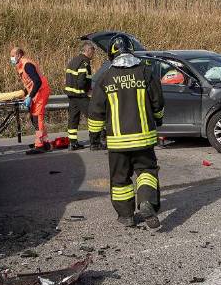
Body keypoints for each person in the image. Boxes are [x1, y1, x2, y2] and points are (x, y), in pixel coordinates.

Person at [88, 34, 165, 228]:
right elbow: (158, 102)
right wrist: (158, 119)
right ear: (131, 50)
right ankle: (146, 202)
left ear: (111, 54)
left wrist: (94, 137)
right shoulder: (146, 72)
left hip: (117, 142)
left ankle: (126, 216)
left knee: (120, 178)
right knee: (146, 171)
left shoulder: (105, 77)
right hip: (144, 138)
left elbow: (96, 110)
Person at [10, 47, 51, 154]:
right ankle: (45, 142)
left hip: (40, 91)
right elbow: (30, 82)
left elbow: (37, 81)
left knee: (37, 118)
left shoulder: (27, 65)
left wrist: (30, 96)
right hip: (36, 92)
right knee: (34, 118)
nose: (11, 58)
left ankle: (40, 145)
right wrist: (25, 93)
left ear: (19, 55)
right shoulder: (21, 65)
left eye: (13, 56)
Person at [64, 41, 96, 150]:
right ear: (87, 50)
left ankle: (72, 143)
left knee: (73, 119)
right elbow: (82, 81)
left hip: (72, 95)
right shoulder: (84, 62)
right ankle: (95, 141)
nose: (93, 54)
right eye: (92, 51)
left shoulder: (74, 60)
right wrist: (87, 90)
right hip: (80, 95)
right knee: (93, 116)